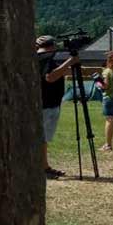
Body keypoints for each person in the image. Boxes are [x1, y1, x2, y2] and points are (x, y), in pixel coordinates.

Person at [36, 35, 75, 179]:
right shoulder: (46, 59)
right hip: (47, 104)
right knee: (42, 138)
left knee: (43, 139)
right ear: (52, 46)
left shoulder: (39, 59)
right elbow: (50, 77)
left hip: (46, 103)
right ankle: (43, 168)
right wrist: (71, 61)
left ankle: (44, 166)